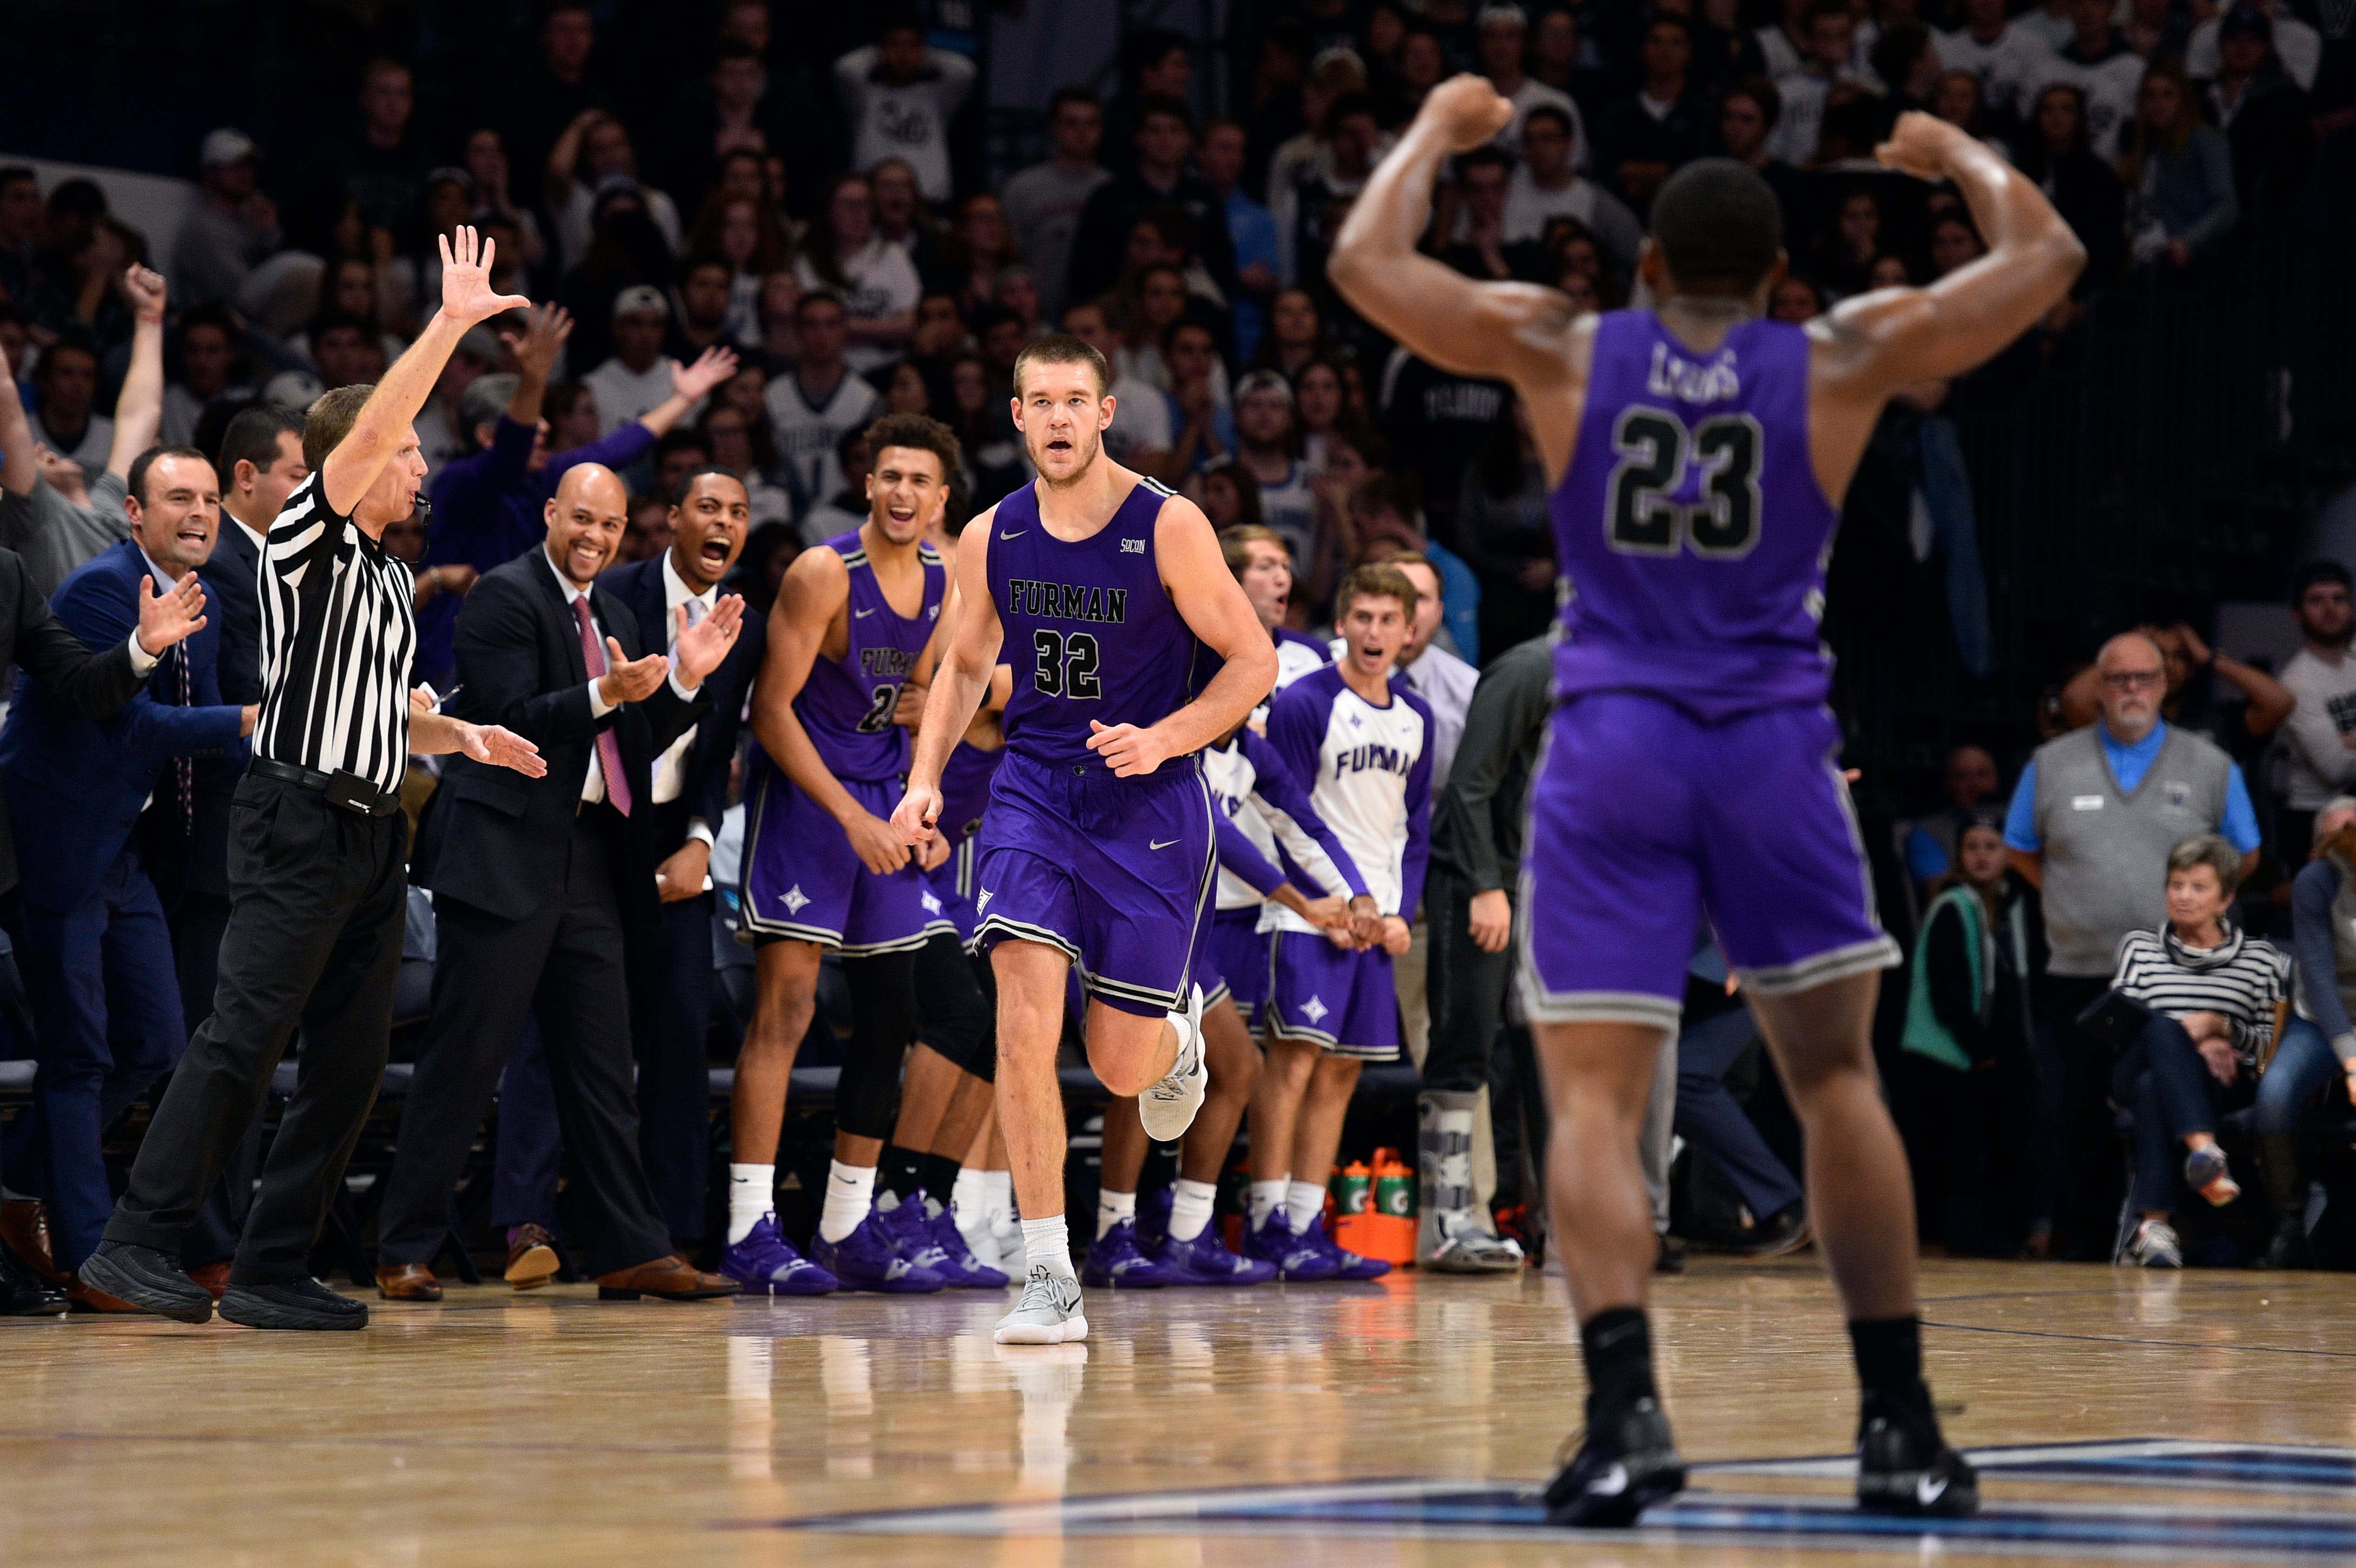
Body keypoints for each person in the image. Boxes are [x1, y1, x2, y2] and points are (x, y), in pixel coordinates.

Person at [1331, 79, 2086, 1522]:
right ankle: (1898, 1423)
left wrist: (1431, 130)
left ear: (1649, 267)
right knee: (1837, 1081)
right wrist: (1949, 156)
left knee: (1598, 1105)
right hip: (1769, 741)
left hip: (1612, 743)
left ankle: (1623, 1419)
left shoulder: (1563, 343)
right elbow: (2045, 260)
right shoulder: (1839, 350)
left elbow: (1366, 264)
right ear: (1772, 278)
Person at [80, 229, 549, 1331]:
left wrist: (462, 739)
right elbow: (379, 420)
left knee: (344, 1066)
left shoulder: (387, 577)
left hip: (373, 835)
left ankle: (271, 1266)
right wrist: (448, 323)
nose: (422, 466)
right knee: (240, 1039)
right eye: (406, 454)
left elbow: (379, 710)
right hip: (294, 818)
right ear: (354, 463)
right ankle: (129, 1247)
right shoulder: (310, 539)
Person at [890, 333, 1277, 1344]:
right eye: (1039, 400)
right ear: (1016, 416)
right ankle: (1049, 1273)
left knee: (1116, 1065)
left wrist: (1165, 736)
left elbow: (1253, 661)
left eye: (1075, 399)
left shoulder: (1171, 526)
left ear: (1106, 412)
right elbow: (964, 668)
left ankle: (1175, 1039)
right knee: (1022, 1007)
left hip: (1149, 805)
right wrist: (925, 781)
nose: (1058, 416)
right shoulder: (991, 535)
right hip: (1032, 794)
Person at [373, 458, 745, 1304]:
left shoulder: (611, 609)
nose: (595, 537)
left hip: (589, 861)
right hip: (504, 857)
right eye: (582, 519)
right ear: (551, 514)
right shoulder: (504, 595)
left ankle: (628, 1247)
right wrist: (603, 692)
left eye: (610, 526)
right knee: (465, 1060)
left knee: (601, 1064)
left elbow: (633, 741)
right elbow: (505, 722)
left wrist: (683, 679)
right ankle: (402, 1246)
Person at [724, 414, 972, 1296]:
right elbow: (771, 711)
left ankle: (843, 1226)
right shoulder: (823, 572)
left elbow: (916, 702)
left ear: (943, 499)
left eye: (922, 481)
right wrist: (850, 817)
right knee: (785, 1012)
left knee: (891, 1013)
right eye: (891, 476)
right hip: (805, 801)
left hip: (877, 801)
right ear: (868, 484)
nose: (905, 492)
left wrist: (919, 799)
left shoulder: (947, 579)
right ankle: (749, 1227)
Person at [496, 468, 766, 1266]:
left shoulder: (744, 623)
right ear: (672, 519)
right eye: (708, 507)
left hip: (673, 837)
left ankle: (666, 1231)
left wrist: (696, 838)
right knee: (559, 1026)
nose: (723, 521)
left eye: (738, 511)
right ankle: (526, 1220)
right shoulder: (608, 594)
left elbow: (719, 753)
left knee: (680, 1028)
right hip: (585, 830)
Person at [0, 445, 234, 1309]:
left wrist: (301, 743)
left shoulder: (192, 597)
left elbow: (201, 732)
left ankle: (15, 1183)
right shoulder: (101, 587)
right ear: (134, 512)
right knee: (79, 1053)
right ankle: (94, 1256)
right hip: (58, 846)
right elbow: (139, 727)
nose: (199, 512)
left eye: (209, 498)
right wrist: (257, 715)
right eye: (178, 497)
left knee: (156, 1043)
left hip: (128, 850)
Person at [2004, 632, 2263, 1262]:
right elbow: (2018, 848)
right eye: (2117, 679)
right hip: (2078, 970)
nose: (2130, 690)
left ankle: (2182, 1233)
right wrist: (2076, 900)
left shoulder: (2210, 764)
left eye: (2142, 678)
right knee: (2075, 1115)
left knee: (2159, 1088)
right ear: (2097, 687)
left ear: (2164, 683)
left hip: (2181, 973)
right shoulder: (2049, 763)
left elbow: (2245, 856)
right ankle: (2087, 1245)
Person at [1244, 564, 1429, 1283]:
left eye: (1388, 619)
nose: (1374, 632)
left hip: (1374, 920)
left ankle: (1307, 1218)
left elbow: (1411, 830)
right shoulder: (1303, 701)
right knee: (1291, 1062)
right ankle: (1266, 1220)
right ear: (1341, 624)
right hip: (1310, 915)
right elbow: (1284, 808)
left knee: (1343, 1069)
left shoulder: (1418, 717)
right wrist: (1331, 898)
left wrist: (1398, 910)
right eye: (1363, 618)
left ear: (1410, 630)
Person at [420, 304, 735, 690]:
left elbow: (614, 450)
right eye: (532, 421)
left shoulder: (542, 478)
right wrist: (534, 374)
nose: (546, 429)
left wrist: (682, 400)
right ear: (487, 435)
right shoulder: (459, 483)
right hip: (449, 664)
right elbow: (510, 450)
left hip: (517, 653)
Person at [1420, 634, 1551, 1271]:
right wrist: (1484, 884)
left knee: (1551, 1055)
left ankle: (1559, 1225)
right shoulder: (1529, 668)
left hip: (1548, 884)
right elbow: (1468, 783)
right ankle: (1444, 1218)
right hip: (1480, 875)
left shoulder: (1622, 680)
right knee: (1464, 1042)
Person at [2111, 835, 2288, 1269]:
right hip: (2131, 1068)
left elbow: (2269, 1044)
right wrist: (2194, 1034)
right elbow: (2120, 1026)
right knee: (2159, 1030)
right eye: (2175, 885)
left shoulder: (2260, 959)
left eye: (2197, 887)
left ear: (2225, 898)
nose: (2183, 897)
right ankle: (2205, 1151)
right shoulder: (2139, 947)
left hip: (2218, 1082)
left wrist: (2221, 1028)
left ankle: (2155, 1227)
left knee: (2156, 1087)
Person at [0, 272, 168, 596]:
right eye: (35, 457)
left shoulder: (109, 504)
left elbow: (140, 416)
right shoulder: (36, 516)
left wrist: (149, 317)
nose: (45, 451)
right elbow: (7, 405)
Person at [2272, 799, 2356, 1268]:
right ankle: (2287, 1223)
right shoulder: (2316, 882)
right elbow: (2319, 980)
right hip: (2319, 1016)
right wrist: (2350, 1061)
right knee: (2273, 1095)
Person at [833, 21, 977, 206]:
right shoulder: (864, 97)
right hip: (874, 201)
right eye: (895, 45)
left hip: (929, 199)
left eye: (912, 46)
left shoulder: (935, 97)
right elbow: (844, 69)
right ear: (881, 50)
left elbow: (966, 71)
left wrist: (926, 56)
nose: (904, 53)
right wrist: (879, 54)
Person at [765, 290, 881, 518]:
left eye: (831, 324)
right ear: (797, 331)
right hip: (785, 520)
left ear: (845, 331)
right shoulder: (772, 397)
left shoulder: (868, 400)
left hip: (849, 519)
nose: (822, 335)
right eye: (811, 325)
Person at [1001, 88, 1111, 320]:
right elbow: (1009, 258)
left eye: (1091, 124)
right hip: (1035, 315)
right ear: (1054, 128)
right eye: (1071, 123)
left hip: (1097, 316)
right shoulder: (1022, 189)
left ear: (1101, 130)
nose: (1082, 133)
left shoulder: (1114, 189)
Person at [2120, 61, 2240, 268]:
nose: (2159, 104)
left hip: (2178, 259)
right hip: (2140, 254)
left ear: (2183, 100)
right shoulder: (2146, 149)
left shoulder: (2205, 140)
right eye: (2151, 96)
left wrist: (2188, 241)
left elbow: (2227, 206)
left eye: (2168, 95)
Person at [2278, 563, 2356, 851]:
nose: (2329, 608)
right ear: (2298, 614)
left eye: (2339, 599)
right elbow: (2335, 769)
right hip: (2315, 817)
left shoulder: (2354, 666)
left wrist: (2349, 742)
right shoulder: (2297, 682)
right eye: (2316, 600)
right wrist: (2342, 747)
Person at [172, 129, 281, 312]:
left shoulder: (247, 223)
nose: (245, 174)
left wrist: (268, 232)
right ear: (210, 174)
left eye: (248, 166)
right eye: (235, 166)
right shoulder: (205, 229)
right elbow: (240, 298)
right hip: (215, 327)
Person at [1224, 522, 1331, 690]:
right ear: (1230, 579)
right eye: (1265, 567)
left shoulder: (1315, 653)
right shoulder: (1195, 656)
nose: (1283, 579)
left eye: (1286, 567)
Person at [1902, 743, 2003, 890]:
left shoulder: (2017, 823)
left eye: (1982, 774)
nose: (1974, 784)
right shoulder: (1928, 831)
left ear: (1997, 779)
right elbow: (1939, 892)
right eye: (1962, 776)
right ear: (1947, 783)